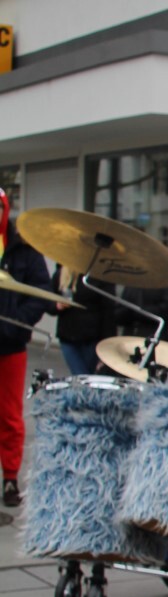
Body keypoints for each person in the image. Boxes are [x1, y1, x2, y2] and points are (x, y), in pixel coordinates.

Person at [0, 193, 53, 506]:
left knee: (9, 415)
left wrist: (16, 323)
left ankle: (10, 477)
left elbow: (41, 291)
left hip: (10, 345)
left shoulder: (24, 247)